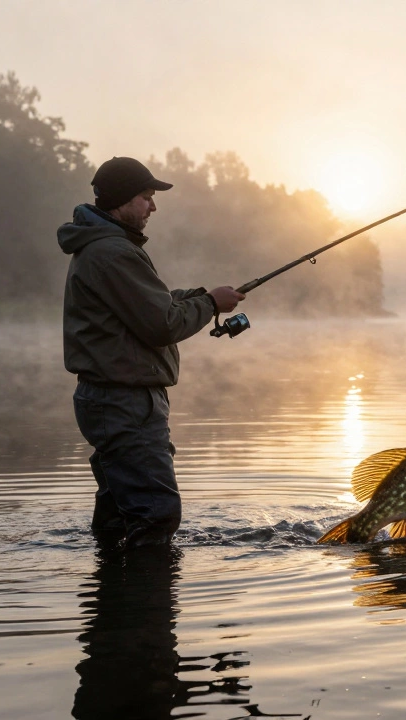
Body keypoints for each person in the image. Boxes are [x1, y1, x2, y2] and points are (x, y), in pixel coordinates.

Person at [59, 156, 245, 548]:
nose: (153, 207)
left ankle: (111, 598)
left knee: (118, 516)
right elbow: (162, 325)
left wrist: (199, 297)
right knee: (156, 515)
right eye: (146, 197)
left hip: (112, 398)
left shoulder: (102, 248)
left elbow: (145, 306)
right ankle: (145, 605)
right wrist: (210, 304)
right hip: (124, 401)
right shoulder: (113, 251)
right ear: (123, 199)